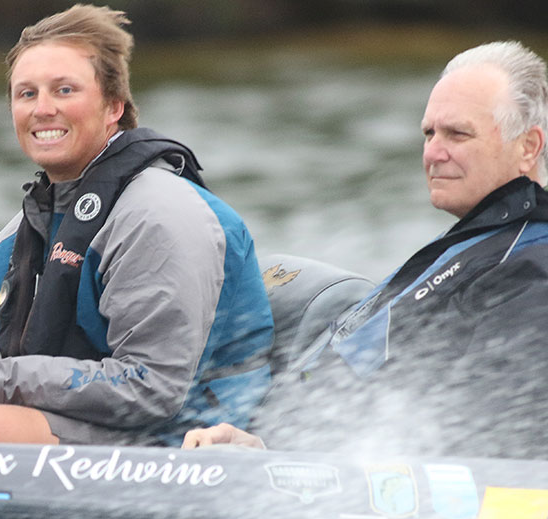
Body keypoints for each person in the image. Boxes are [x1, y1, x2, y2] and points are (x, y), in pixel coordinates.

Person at [0, 4, 273, 445]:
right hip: (87, 424)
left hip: (189, 434)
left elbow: (153, 388)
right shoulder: (12, 241)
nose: (43, 109)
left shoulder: (159, 218)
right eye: (26, 94)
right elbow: (29, 382)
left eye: (64, 90)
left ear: (114, 107)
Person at [183, 40, 548, 459]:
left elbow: (492, 446)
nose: (433, 152)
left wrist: (284, 466)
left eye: (457, 134)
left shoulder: (531, 270)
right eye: (429, 133)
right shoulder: (476, 244)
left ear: (528, 147)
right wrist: (262, 451)